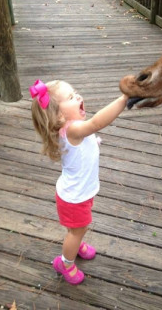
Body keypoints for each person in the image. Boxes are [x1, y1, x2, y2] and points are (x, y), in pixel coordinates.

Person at [29, 79, 128, 285]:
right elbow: (97, 123)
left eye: (76, 92)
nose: (79, 96)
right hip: (74, 197)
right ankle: (65, 263)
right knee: (78, 229)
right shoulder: (74, 130)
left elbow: (88, 133)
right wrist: (124, 98)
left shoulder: (72, 128)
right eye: (71, 97)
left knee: (77, 228)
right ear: (59, 115)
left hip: (79, 192)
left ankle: (76, 241)